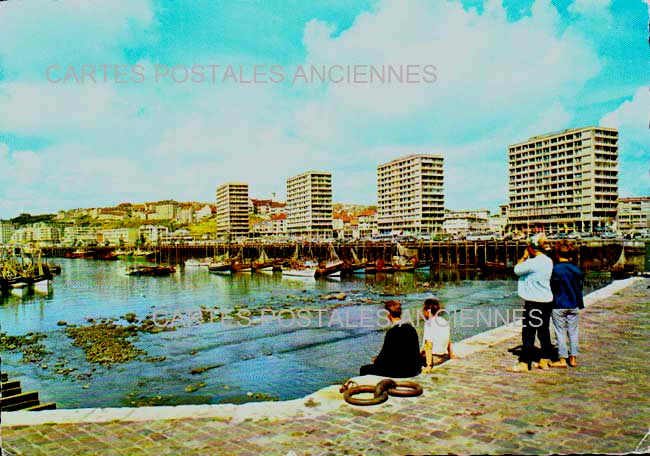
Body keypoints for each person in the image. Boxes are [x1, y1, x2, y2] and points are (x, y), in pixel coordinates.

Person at [508, 233, 554, 372]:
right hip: (547, 300)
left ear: (532, 248)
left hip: (534, 302)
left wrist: (524, 256)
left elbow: (516, 270)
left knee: (528, 332)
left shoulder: (531, 263)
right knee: (543, 331)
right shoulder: (548, 261)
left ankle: (524, 362)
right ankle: (544, 359)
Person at [360, 300, 422, 378]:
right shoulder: (411, 328)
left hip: (402, 372)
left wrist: (376, 361)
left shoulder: (392, 332)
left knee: (364, 369)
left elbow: (384, 357)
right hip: (415, 369)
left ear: (388, 315)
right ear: (401, 313)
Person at [548, 240, 584, 368]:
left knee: (560, 332)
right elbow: (579, 288)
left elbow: (552, 287)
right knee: (573, 332)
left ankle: (562, 359)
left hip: (558, 304)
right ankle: (573, 358)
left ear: (557, 254)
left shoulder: (555, 270)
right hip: (573, 304)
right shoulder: (576, 270)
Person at [421, 298, 454, 373]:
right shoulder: (443, 321)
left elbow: (428, 344)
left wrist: (429, 365)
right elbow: (448, 340)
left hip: (434, 359)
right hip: (444, 357)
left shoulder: (429, 323)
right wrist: (451, 356)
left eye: (423, 310)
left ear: (427, 310)